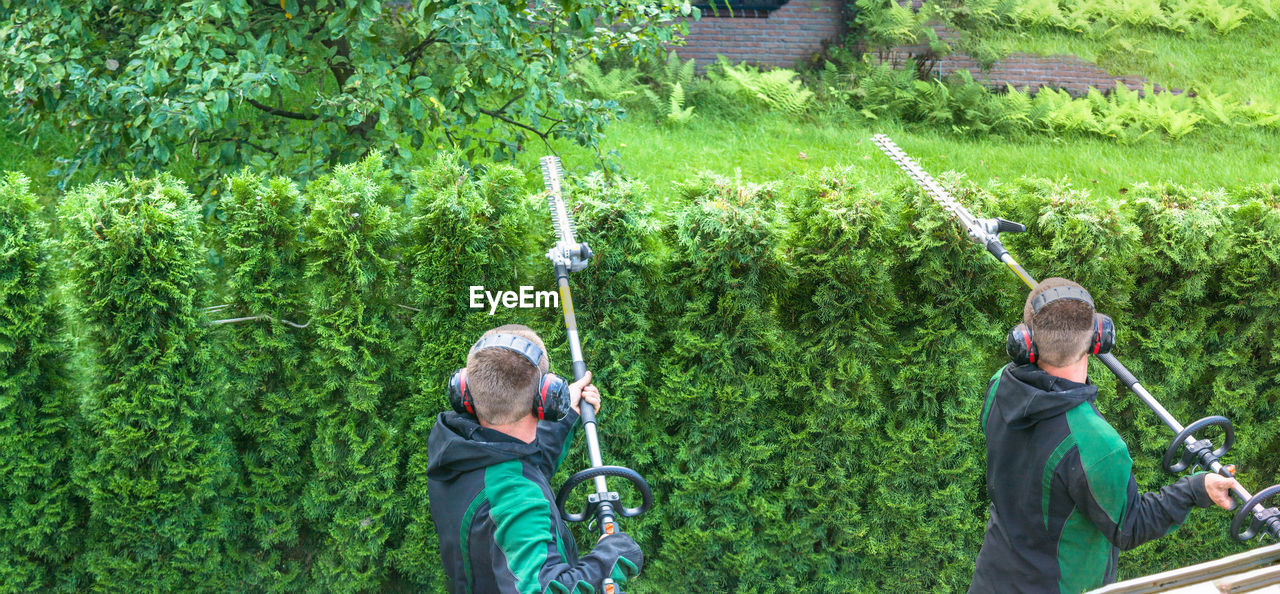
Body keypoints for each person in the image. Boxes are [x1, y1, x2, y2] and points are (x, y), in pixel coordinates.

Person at [970, 278, 1239, 593]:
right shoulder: (1097, 444)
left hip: (991, 578)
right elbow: (1129, 525)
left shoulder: (1000, 384)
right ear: (1099, 338)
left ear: (1024, 340)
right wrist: (1197, 488)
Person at [428, 324, 643, 593]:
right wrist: (611, 558)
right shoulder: (518, 505)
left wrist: (568, 415)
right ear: (547, 398)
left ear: (464, 391)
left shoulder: (458, 449)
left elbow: (518, 465)